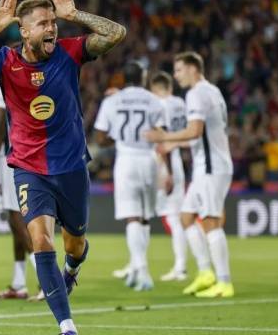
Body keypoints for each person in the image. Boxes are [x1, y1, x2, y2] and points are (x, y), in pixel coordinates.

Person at [0, 0, 126, 335]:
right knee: (41, 241)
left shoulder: (70, 52)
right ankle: (68, 331)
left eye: (54, 23)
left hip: (71, 166)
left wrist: (75, 14)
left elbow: (116, 33)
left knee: (74, 244)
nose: (52, 29)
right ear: (24, 31)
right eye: (44, 23)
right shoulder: (4, 61)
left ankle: (73, 267)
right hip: (29, 168)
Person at [146, 51, 234, 298]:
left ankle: (224, 281)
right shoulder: (213, 91)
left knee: (210, 222)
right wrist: (173, 144)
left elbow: (195, 131)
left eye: (179, 70)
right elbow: (202, 134)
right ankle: (205, 273)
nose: (176, 76)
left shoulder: (196, 93)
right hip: (209, 165)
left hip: (212, 167)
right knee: (186, 217)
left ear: (193, 69)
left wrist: (165, 136)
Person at [94, 62, 165, 291]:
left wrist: (118, 137)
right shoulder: (154, 100)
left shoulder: (112, 101)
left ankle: (141, 270)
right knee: (144, 217)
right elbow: (160, 133)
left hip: (126, 160)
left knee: (132, 217)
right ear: (143, 77)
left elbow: (100, 139)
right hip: (148, 159)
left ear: (123, 78)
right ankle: (136, 268)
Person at [0, 82, 38, 300]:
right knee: (16, 220)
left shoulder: (4, 77)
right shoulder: (38, 76)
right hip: (34, 152)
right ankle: (19, 284)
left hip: (12, 156)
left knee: (17, 219)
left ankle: (48, 281)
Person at [150, 71, 189, 282]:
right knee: (176, 216)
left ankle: (181, 266)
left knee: (173, 218)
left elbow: (163, 140)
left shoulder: (160, 105)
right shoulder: (180, 103)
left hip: (167, 163)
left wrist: (168, 173)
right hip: (178, 159)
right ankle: (181, 265)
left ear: (155, 89)